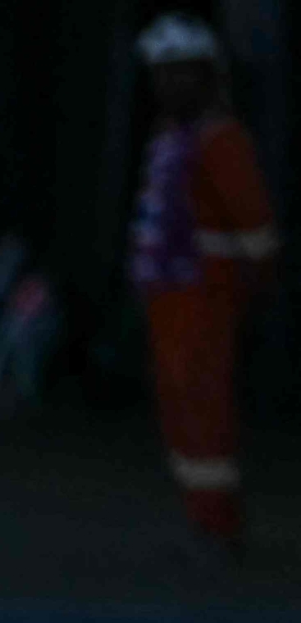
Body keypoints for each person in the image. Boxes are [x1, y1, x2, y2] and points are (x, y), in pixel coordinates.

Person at [129, 12, 279, 562]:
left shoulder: (222, 140)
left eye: (181, 73)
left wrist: (255, 292)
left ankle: (220, 525)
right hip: (168, 294)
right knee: (179, 408)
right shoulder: (170, 138)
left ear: (206, 76)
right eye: (161, 74)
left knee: (207, 410)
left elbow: (254, 224)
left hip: (206, 293)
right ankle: (200, 515)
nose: (169, 85)